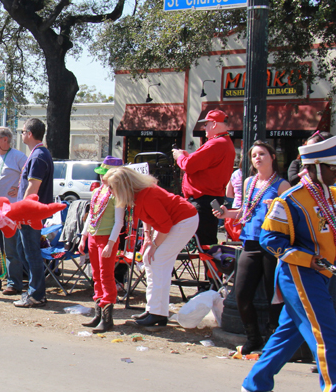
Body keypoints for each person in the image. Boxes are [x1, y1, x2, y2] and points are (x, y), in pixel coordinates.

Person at [242, 134, 336, 392]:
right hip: (298, 276)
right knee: (327, 338)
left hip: (326, 276)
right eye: (332, 167)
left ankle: (256, 382)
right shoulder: (290, 200)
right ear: (313, 166)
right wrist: (307, 259)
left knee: (290, 332)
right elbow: (269, 239)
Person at [213, 141, 290, 354]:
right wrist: (226, 213)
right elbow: (245, 212)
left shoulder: (282, 185)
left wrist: (277, 207)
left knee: (273, 295)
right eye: (254, 155)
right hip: (249, 242)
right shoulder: (249, 182)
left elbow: (292, 216)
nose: (257, 158)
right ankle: (253, 337)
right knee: (241, 293)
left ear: (272, 157)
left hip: (272, 244)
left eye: (262, 154)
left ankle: (273, 339)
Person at [104, 166, 198, 329]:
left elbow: (165, 225)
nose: (109, 190)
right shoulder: (139, 194)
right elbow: (149, 216)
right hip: (175, 221)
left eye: (111, 187)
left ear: (123, 186)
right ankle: (154, 311)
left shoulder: (147, 196)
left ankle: (157, 313)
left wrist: (155, 244)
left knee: (158, 261)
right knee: (150, 261)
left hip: (183, 221)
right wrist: (148, 237)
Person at [173, 109, 235, 245]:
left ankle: (212, 266)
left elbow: (188, 165)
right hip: (208, 199)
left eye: (206, 124)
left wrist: (180, 157)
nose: (204, 127)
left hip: (203, 201)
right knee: (206, 244)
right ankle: (211, 265)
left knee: (205, 246)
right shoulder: (223, 143)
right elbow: (203, 165)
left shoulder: (216, 143)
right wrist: (186, 157)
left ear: (213, 124)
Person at [78, 156, 125, 332]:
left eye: (105, 174)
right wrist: (83, 237)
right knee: (96, 276)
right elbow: (91, 215)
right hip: (93, 236)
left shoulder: (118, 193)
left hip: (107, 238)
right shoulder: (97, 191)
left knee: (106, 276)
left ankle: (107, 317)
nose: (101, 178)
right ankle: (98, 313)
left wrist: (111, 243)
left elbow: (119, 222)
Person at [13, 117, 53, 308]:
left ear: (29, 134)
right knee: (23, 250)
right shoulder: (39, 154)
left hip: (30, 214)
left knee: (31, 253)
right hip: (30, 214)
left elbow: (33, 188)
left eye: (22, 132)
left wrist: (21, 213)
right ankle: (35, 289)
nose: (21, 135)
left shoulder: (38, 156)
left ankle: (37, 294)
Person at [0, 125, 27, 295]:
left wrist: (19, 186)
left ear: (5, 139)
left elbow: (29, 176)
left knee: (11, 248)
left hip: (9, 211)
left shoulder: (19, 157)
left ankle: (14, 283)